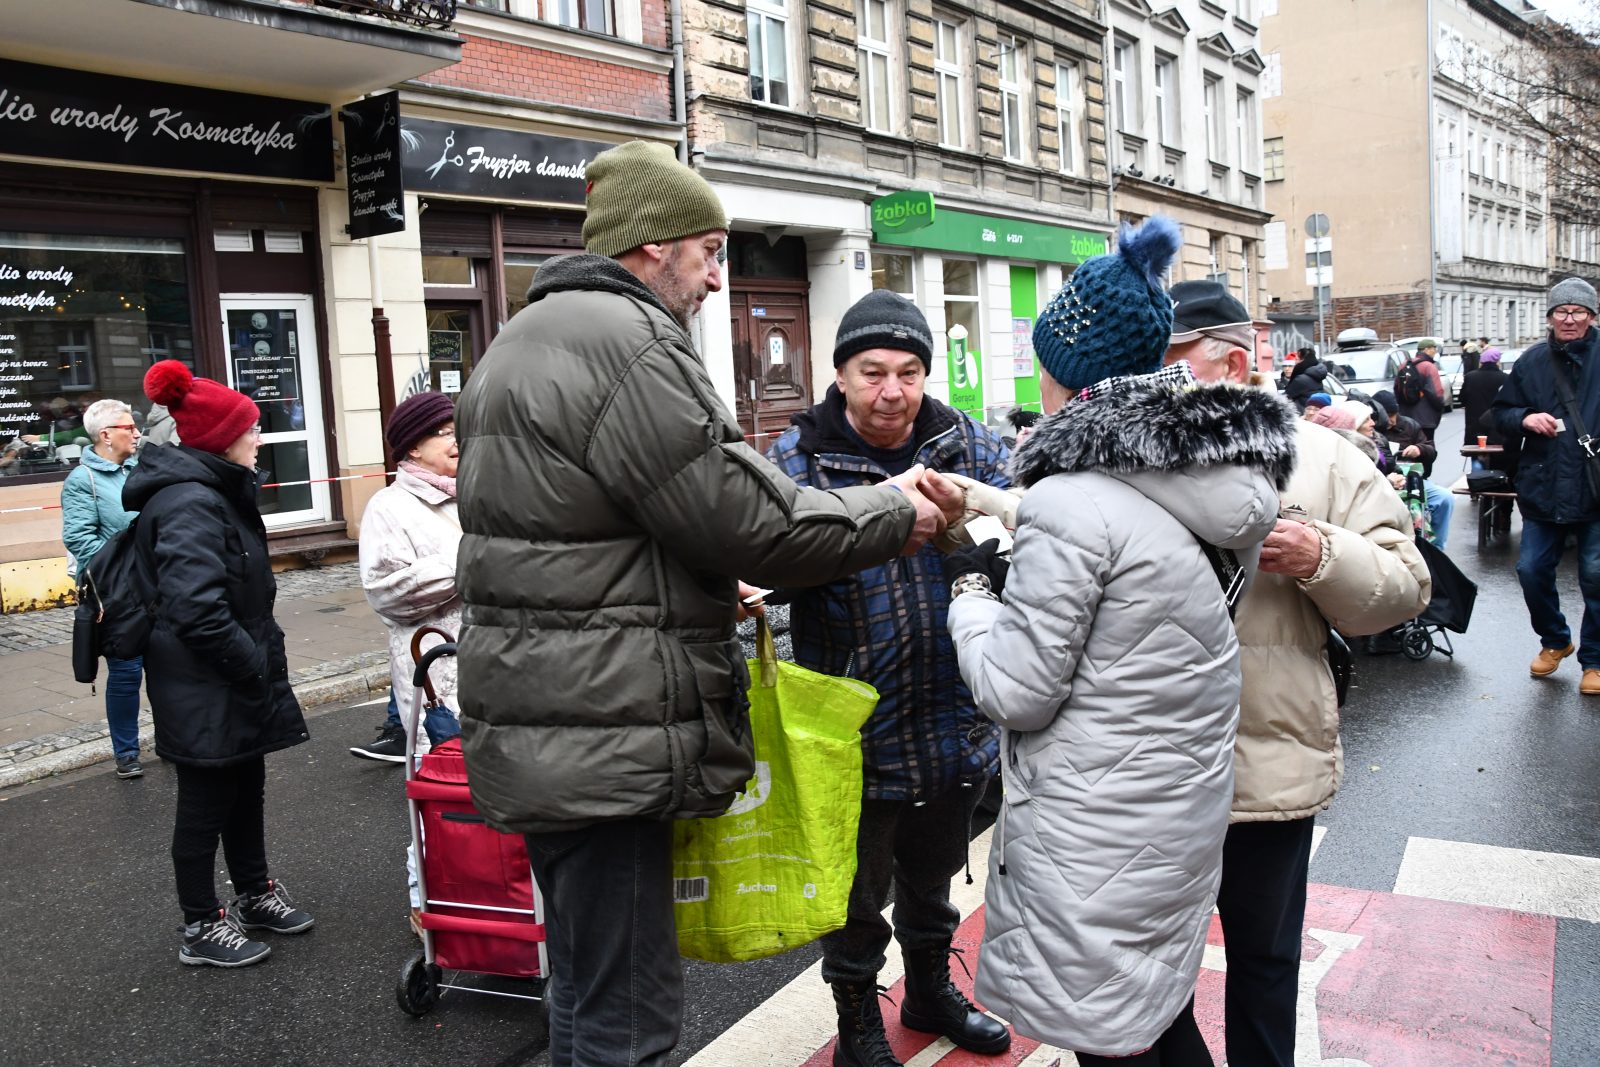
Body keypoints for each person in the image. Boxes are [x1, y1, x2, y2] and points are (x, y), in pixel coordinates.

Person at [452, 140, 955, 1066]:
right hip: (603, 729)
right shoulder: (629, 342)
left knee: (585, 995)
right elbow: (750, 522)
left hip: (551, 722)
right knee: (629, 1022)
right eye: (710, 252)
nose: (719, 278)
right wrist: (894, 511)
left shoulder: (520, 340)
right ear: (655, 243)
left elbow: (594, 531)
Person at [945, 218, 1294, 1066]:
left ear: (1065, 369)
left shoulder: (1071, 498)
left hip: (1095, 825)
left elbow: (1016, 689)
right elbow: (1135, 561)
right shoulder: (1216, 473)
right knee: (1154, 1013)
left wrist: (971, 590)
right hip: (1174, 806)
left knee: (1116, 1037)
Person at [1163, 283, 1429, 1066]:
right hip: (1151, 772)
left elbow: (1407, 586)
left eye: (1173, 360)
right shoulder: (1123, 456)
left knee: (1265, 965)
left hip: (1271, 762)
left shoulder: (1321, 456)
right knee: (1145, 976)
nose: (1153, 376)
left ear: (1231, 364)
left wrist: (1321, 555)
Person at [764, 291, 1012, 1067]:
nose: (892, 391)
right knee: (854, 893)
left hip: (952, 710)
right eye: (872, 372)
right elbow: (767, 557)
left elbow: (1024, 532)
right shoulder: (797, 459)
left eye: (908, 372)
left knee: (934, 878)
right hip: (852, 721)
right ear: (840, 374)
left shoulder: (968, 442)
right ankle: (858, 1022)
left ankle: (931, 990)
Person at [125, 360, 312, 968]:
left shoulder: (214, 491)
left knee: (245, 788)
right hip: (204, 680)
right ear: (221, 438)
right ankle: (201, 924)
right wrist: (249, 663)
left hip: (225, 677)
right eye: (250, 429)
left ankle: (253, 893)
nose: (259, 438)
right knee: (205, 805)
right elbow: (196, 608)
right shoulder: (190, 502)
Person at [1491, 276, 1600, 695]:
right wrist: (1524, 418)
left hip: (1595, 486)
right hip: (1544, 485)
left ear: (1591, 316)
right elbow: (1500, 413)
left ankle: (1595, 660)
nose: (1569, 319)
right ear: (1550, 317)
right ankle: (1555, 639)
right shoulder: (1532, 361)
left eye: (1578, 312)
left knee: (1596, 575)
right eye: (1561, 311)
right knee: (1531, 570)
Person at [352, 391, 463, 764]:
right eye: (445, 433)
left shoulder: (475, 494)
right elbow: (387, 594)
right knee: (449, 787)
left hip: (498, 671)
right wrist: (469, 562)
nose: (458, 441)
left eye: (459, 430)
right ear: (414, 448)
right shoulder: (389, 507)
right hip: (442, 682)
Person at [59, 399, 146, 779]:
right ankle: (126, 752)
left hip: (156, 587)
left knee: (166, 668)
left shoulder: (140, 470)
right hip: (117, 595)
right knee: (126, 673)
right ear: (106, 435)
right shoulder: (83, 480)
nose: (137, 433)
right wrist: (127, 566)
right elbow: (80, 540)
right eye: (129, 427)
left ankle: (174, 739)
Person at [1367, 391, 1453, 549]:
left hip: (1410, 479)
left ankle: (1437, 549)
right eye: (1388, 415)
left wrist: (1419, 449)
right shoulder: (1371, 430)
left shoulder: (1409, 425)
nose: (1392, 420)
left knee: (1444, 498)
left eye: (1394, 414)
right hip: (1382, 482)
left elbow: (1431, 450)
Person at [1460, 348, 1509, 471]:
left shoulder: (1470, 377)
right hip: (1497, 428)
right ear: (1497, 361)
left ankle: (1478, 479)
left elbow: (1462, 398)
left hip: (1475, 427)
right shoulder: (1505, 378)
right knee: (1499, 462)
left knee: (1477, 457)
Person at [1394, 339, 1445, 435]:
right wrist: (1440, 406)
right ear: (1426, 350)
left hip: (1406, 417)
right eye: (1434, 348)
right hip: (1426, 418)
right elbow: (1435, 392)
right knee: (1426, 443)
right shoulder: (1429, 367)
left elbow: (1397, 389)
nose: (1435, 351)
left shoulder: (1403, 365)